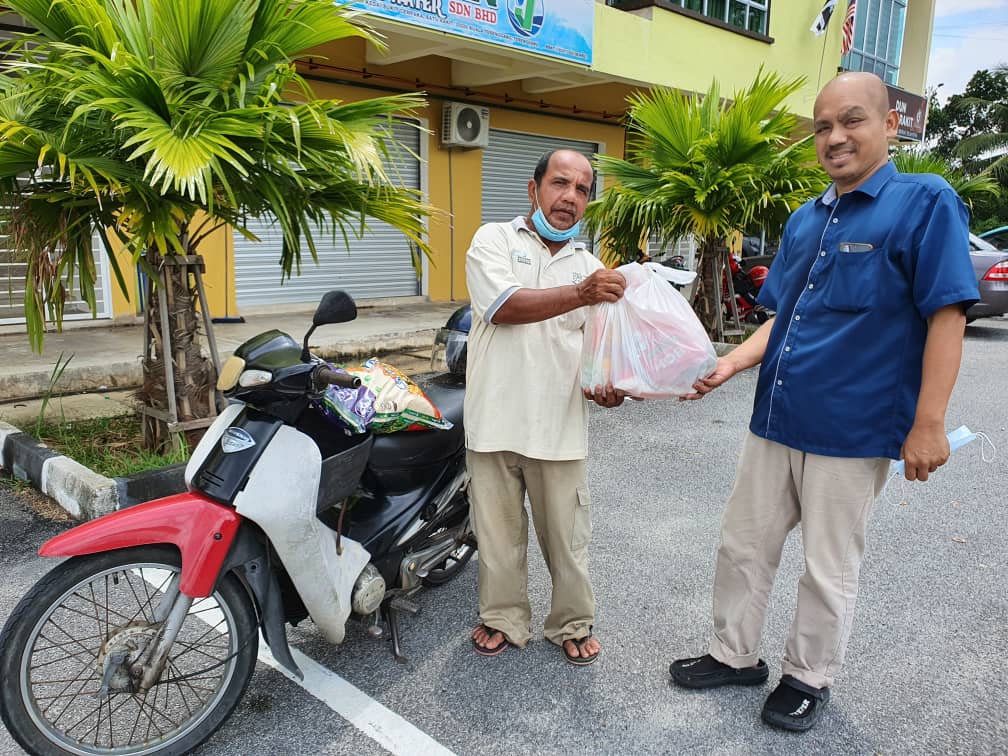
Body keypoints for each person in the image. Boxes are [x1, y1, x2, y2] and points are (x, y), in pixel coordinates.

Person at [669, 72, 979, 731]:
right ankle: (733, 654)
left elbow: (947, 314)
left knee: (827, 565)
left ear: (890, 125)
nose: (835, 137)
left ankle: (808, 677)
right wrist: (728, 363)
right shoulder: (808, 217)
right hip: (776, 417)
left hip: (854, 426)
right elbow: (780, 318)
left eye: (853, 120)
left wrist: (929, 424)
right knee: (742, 544)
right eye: (822, 127)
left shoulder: (925, 202)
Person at [464, 149, 628, 665]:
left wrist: (612, 387)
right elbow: (503, 307)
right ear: (534, 190)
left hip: (558, 429)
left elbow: (601, 354)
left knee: (568, 540)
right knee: (497, 537)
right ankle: (503, 618)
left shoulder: (591, 268)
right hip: (493, 422)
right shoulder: (493, 240)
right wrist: (581, 294)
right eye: (560, 184)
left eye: (582, 190)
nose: (570, 197)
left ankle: (572, 622)